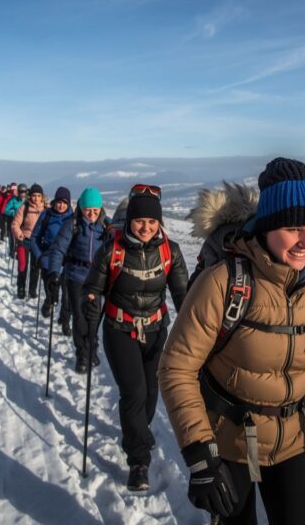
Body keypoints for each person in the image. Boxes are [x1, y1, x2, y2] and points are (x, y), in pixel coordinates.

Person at [158, 158, 305, 524]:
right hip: (230, 441)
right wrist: (200, 455)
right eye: (293, 228)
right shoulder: (225, 281)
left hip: (295, 439)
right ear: (268, 225)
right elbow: (177, 367)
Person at [81, 184, 189, 492]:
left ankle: (136, 432)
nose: (145, 227)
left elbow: (183, 294)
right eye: (140, 221)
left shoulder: (171, 251)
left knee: (152, 393)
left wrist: (193, 325)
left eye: (152, 222)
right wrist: (90, 303)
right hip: (119, 330)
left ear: (159, 223)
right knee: (134, 392)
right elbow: (94, 287)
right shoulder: (111, 250)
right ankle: (139, 460)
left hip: (155, 330)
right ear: (130, 221)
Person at [48, 187, 107, 362]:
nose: (91, 214)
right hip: (75, 276)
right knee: (80, 317)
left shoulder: (105, 226)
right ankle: (82, 352)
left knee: (94, 318)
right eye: (88, 210)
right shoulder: (72, 224)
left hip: (96, 280)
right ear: (81, 208)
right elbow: (58, 249)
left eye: (95, 210)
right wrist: (53, 272)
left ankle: (92, 349)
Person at [30, 187, 73, 319]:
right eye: (59, 202)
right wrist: (39, 255)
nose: (61, 205)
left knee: (66, 293)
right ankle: (48, 302)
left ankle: (64, 318)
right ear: (54, 202)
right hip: (47, 258)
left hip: (65, 260)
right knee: (51, 289)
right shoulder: (46, 215)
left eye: (65, 203)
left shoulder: (72, 218)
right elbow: (34, 237)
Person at [12, 184, 46, 300]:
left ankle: (32, 289)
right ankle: (21, 287)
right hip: (25, 239)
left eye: (38, 196)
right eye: (34, 195)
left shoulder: (46, 209)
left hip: (38, 242)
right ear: (30, 196)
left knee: (35, 267)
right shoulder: (24, 207)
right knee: (23, 265)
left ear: (42, 197)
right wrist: (19, 234)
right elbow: (15, 224)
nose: (36, 198)